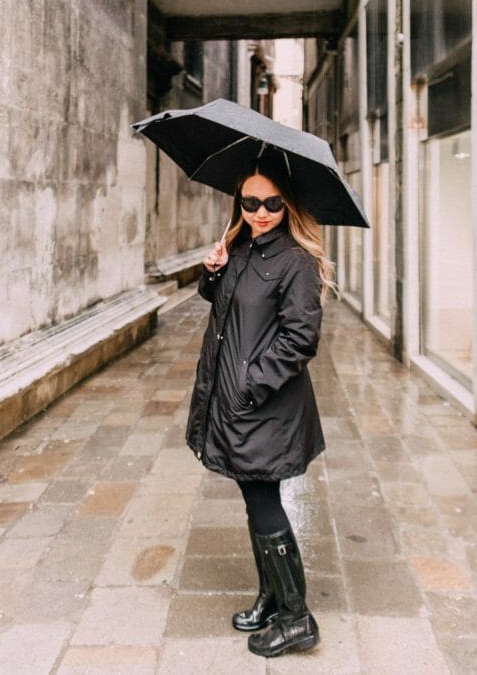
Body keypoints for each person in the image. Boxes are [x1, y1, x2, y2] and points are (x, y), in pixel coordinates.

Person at [185, 151, 334, 658]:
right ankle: (272, 598)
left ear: (287, 204)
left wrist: (250, 385)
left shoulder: (295, 261)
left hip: (263, 406)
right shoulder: (242, 248)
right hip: (236, 400)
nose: (261, 212)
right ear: (239, 202)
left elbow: (300, 338)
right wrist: (212, 272)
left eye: (272, 203)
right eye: (250, 202)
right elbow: (226, 306)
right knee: (255, 498)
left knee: (264, 501)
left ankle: (297, 617)